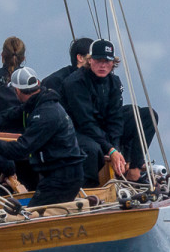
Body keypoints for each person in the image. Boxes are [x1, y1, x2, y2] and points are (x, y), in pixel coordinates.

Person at [0, 66, 87, 207]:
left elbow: (20, 149)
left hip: (63, 178)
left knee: (33, 215)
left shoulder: (45, 114)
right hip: (58, 175)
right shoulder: (35, 105)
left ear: (17, 91)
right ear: (38, 84)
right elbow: (2, 118)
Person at [61, 38, 154, 185]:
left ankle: (134, 171)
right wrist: (110, 150)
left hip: (103, 126)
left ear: (113, 63)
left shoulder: (114, 82)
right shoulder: (75, 83)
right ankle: (93, 187)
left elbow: (115, 118)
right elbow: (86, 122)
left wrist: (115, 147)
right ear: (90, 60)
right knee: (93, 148)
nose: (103, 65)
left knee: (148, 115)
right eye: (98, 60)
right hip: (80, 129)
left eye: (107, 61)